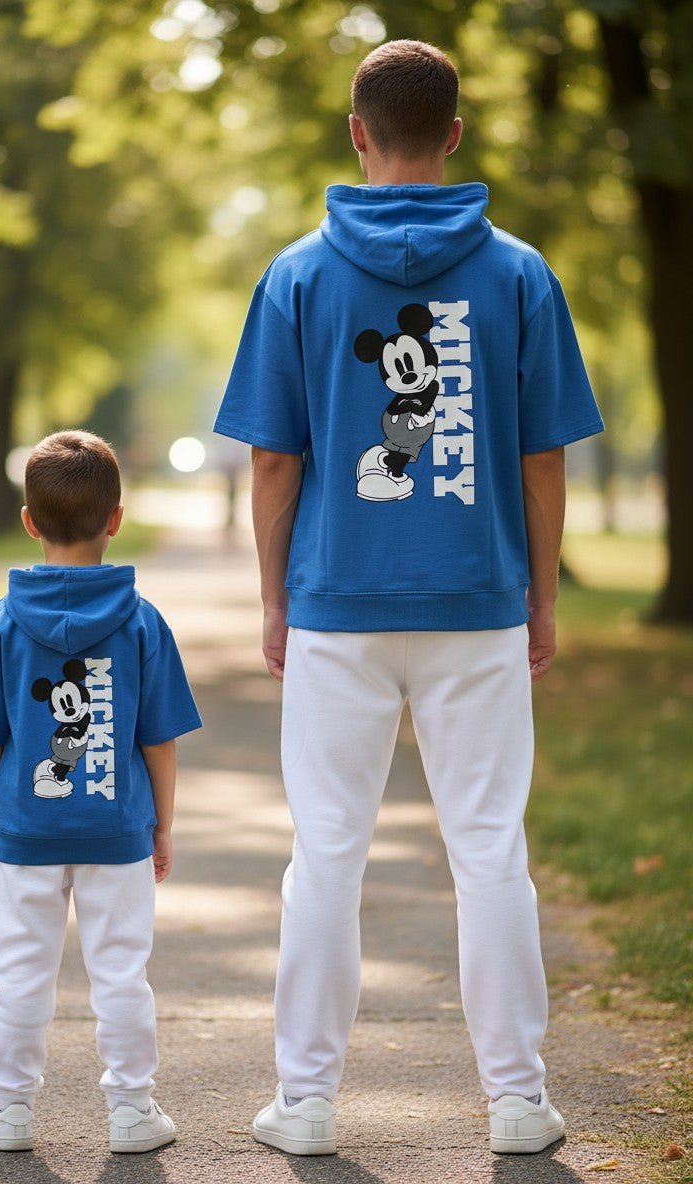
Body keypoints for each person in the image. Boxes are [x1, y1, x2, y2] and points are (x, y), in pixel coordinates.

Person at [214, 39, 603, 1157]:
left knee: (325, 854)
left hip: (338, 602)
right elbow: (540, 458)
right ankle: (519, 1099)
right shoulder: (521, 274)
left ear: (357, 133)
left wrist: (274, 598)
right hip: (477, 602)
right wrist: (537, 593)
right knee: (491, 853)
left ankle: (308, 1100)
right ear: (457, 135)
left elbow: (275, 460)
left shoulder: (297, 273)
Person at [0, 430, 201, 1154]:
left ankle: (10, 1111)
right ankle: (132, 1112)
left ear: (29, 521)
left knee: (20, 977)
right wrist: (164, 825)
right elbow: (159, 738)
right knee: (121, 973)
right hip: (118, 834)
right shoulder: (144, 624)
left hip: (26, 833)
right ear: (114, 518)